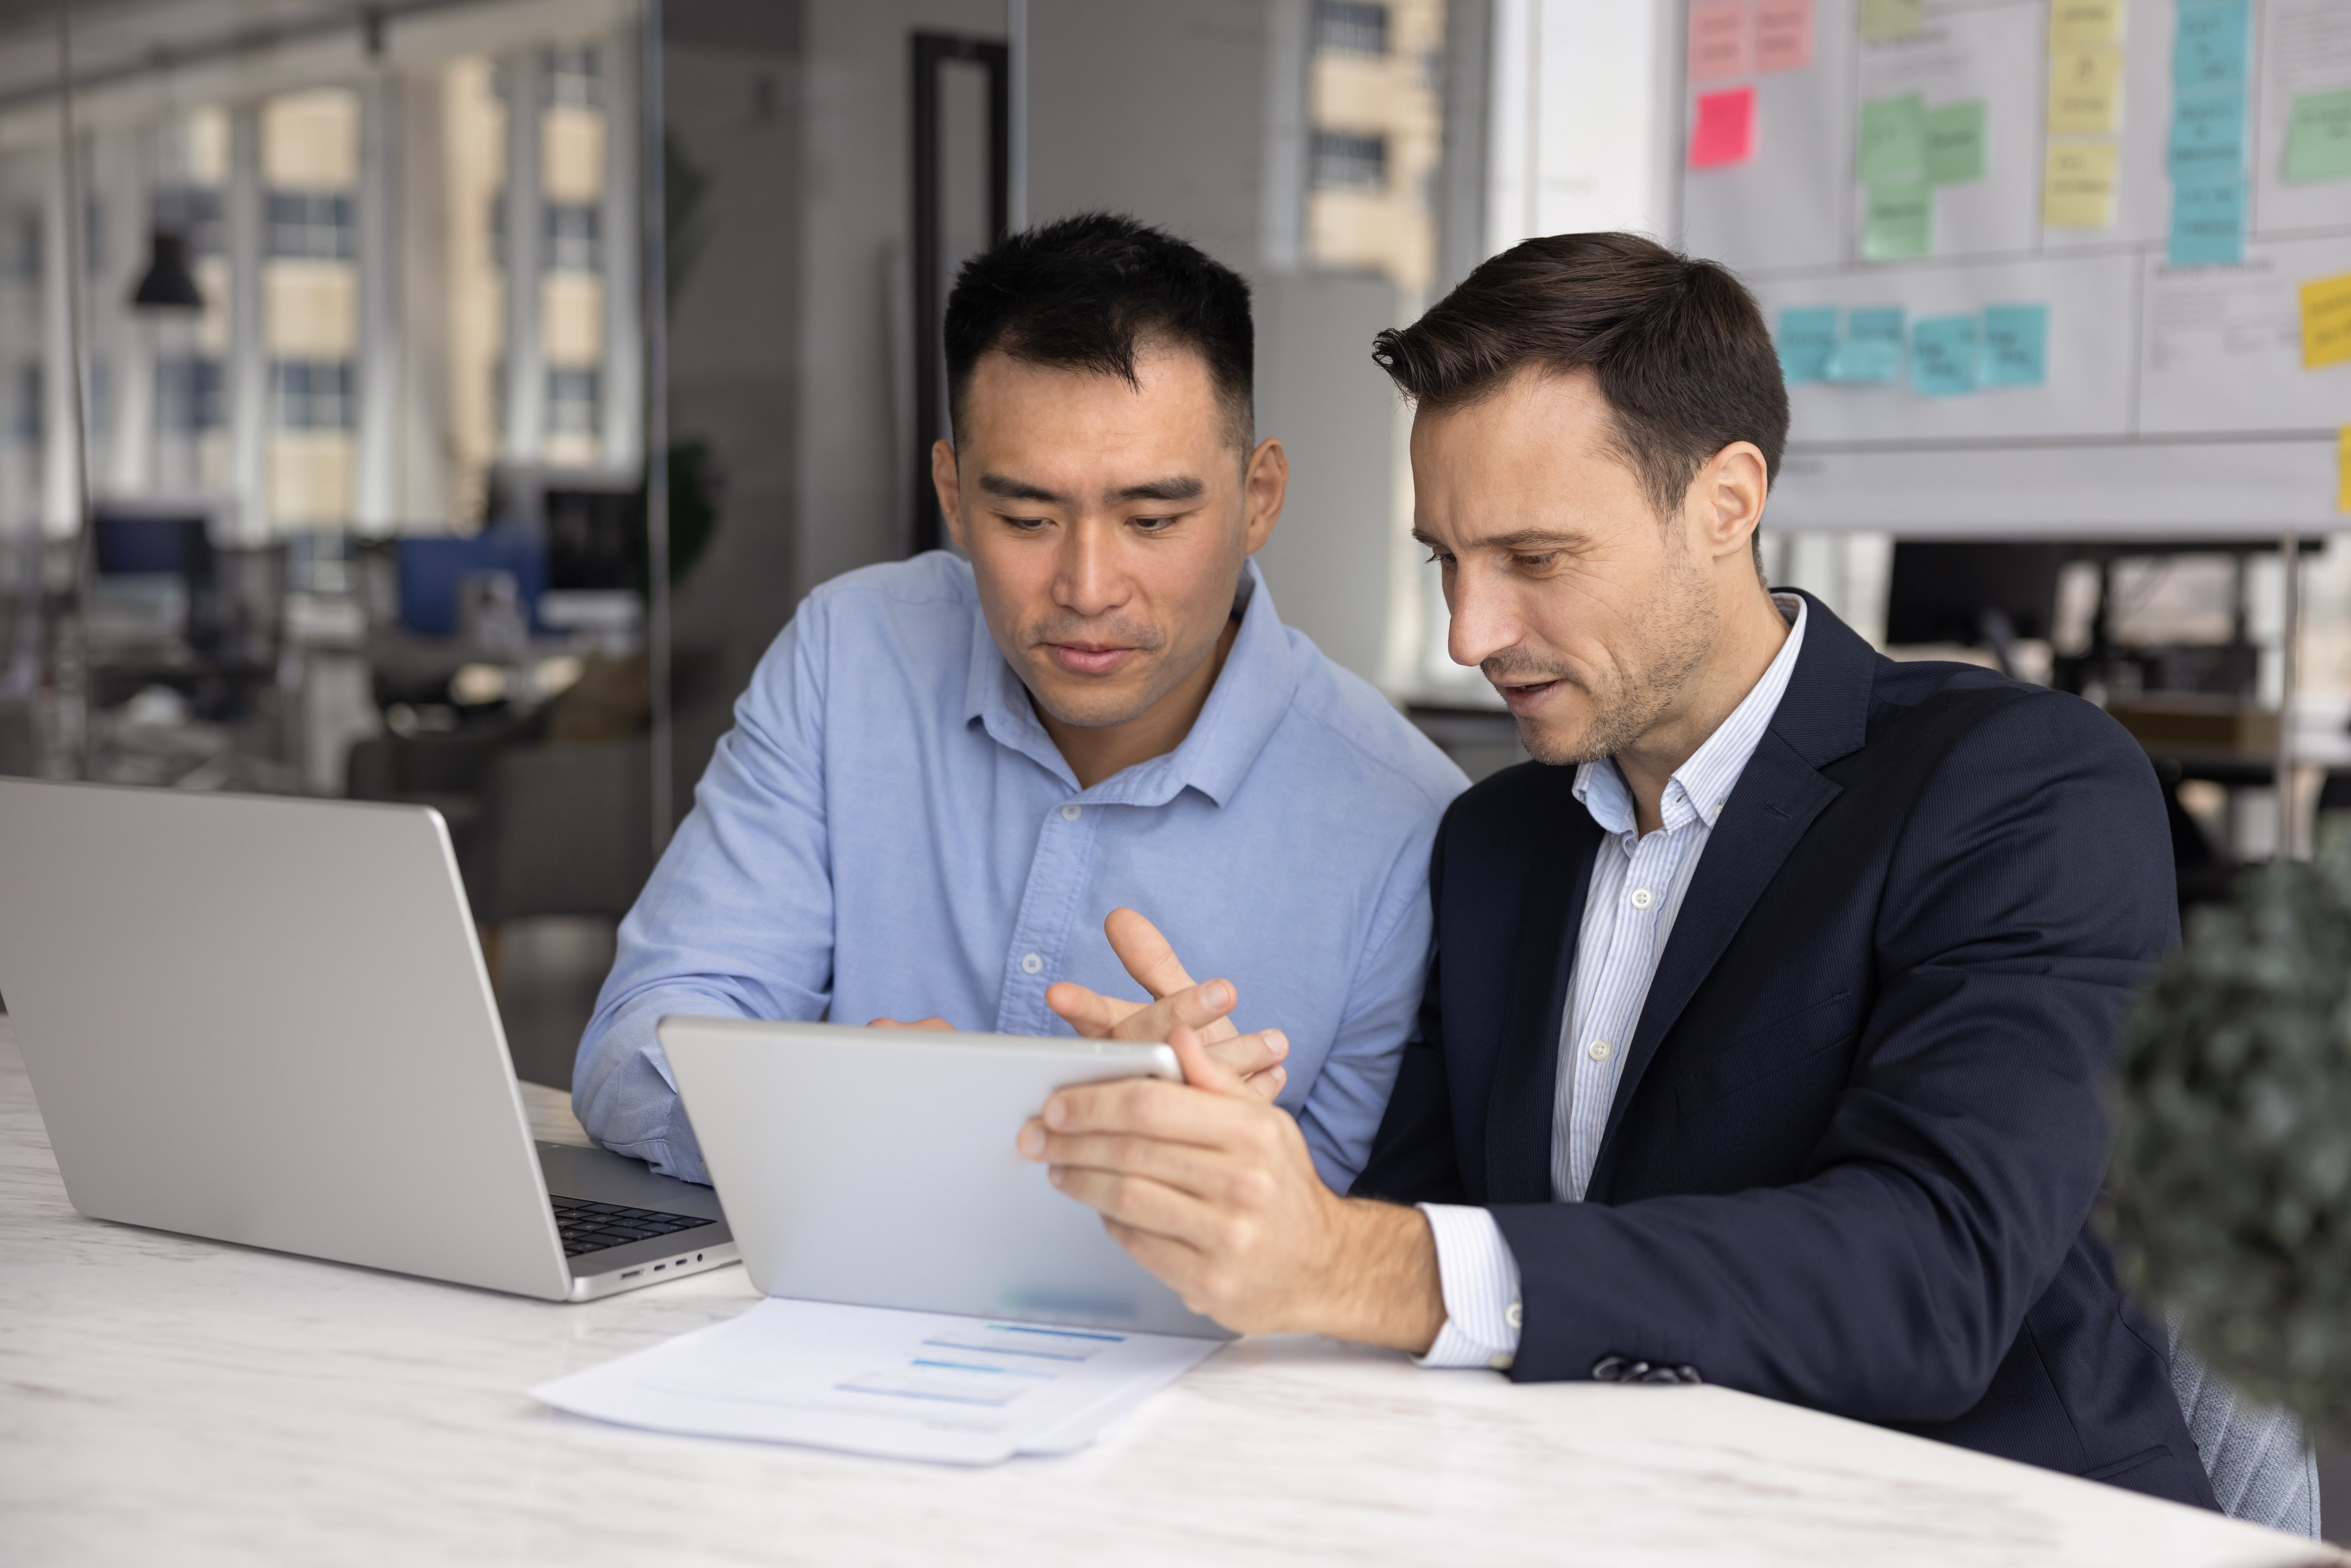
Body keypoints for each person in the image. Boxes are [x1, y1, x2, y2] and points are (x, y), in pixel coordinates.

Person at [1018, 232, 2220, 1509]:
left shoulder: (2016, 787)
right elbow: (1409, 1247)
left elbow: (1929, 1275)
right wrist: (1231, 1172)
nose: (1470, 632)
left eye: (1534, 560)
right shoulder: (1493, 847)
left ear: (1725, 500)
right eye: (1445, 559)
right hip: (1597, 1514)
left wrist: (1365, 1263)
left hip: (1973, 1521)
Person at [572, 212, 1466, 1190]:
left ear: (1259, 498)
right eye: (1027, 518)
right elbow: (633, 1058)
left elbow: (1348, 1240)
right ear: (952, 495)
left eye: (1153, 519)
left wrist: (1217, 1169)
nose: (1088, 586)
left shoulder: (1405, 824)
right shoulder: (850, 656)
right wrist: (864, 1113)